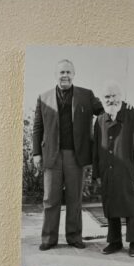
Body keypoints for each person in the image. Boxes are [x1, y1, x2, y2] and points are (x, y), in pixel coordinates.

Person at [31, 59, 104, 251]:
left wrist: (119, 106)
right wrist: (36, 153)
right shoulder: (43, 97)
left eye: (68, 72)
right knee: (50, 199)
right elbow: (37, 127)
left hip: (75, 155)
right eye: (62, 72)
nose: (65, 75)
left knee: (74, 199)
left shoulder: (86, 95)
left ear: (74, 74)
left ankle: (74, 237)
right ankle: (48, 239)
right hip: (51, 156)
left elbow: (103, 113)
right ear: (56, 75)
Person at [91, 82, 134, 257]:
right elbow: (96, 148)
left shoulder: (133, 115)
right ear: (102, 100)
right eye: (107, 97)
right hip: (107, 171)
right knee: (111, 206)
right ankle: (114, 241)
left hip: (129, 171)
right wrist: (97, 172)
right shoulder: (100, 119)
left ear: (121, 96)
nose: (111, 100)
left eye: (114, 95)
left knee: (132, 207)